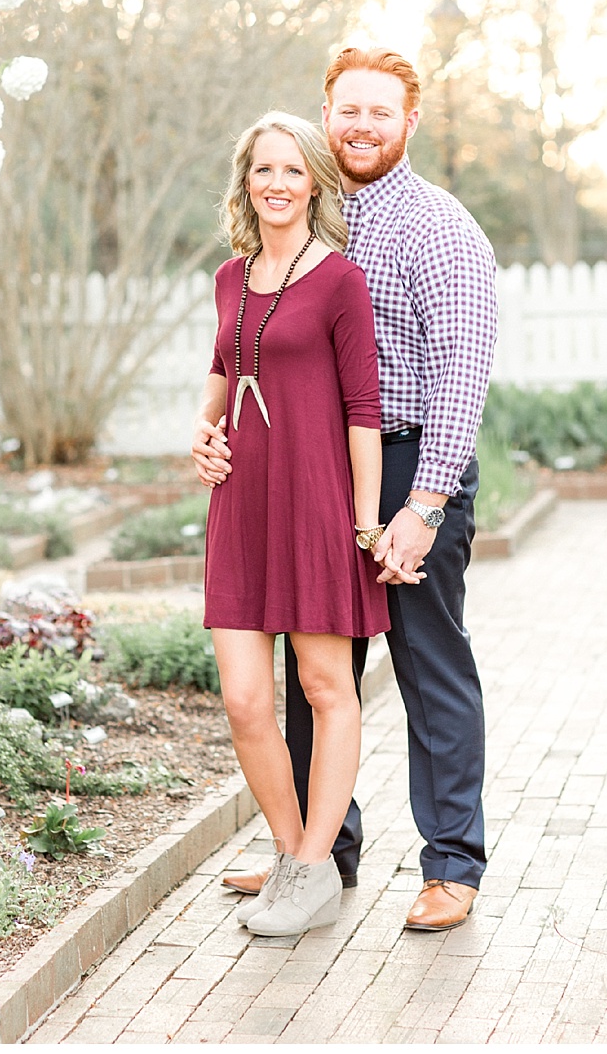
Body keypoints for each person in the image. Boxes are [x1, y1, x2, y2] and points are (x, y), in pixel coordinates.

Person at [195, 48, 499, 933]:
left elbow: (461, 381)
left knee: (428, 665)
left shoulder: (439, 228)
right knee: (313, 672)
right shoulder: (308, 213)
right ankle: (318, 854)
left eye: (380, 112)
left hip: (409, 468)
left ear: (411, 122)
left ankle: (451, 863)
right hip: (313, 472)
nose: (362, 127)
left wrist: (424, 506)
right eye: (348, 111)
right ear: (326, 115)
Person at [198, 111, 388, 937]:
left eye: (291, 170)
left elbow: (363, 413)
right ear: (247, 183)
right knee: (244, 700)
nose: (275, 184)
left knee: (325, 687)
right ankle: (290, 857)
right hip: (240, 506)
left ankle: (316, 869)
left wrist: (365, 525)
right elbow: (222, 370)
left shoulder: (341, 281)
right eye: (262, 170)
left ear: (314, 183)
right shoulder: (229, 278)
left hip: (315, 503)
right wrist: (201, 435)